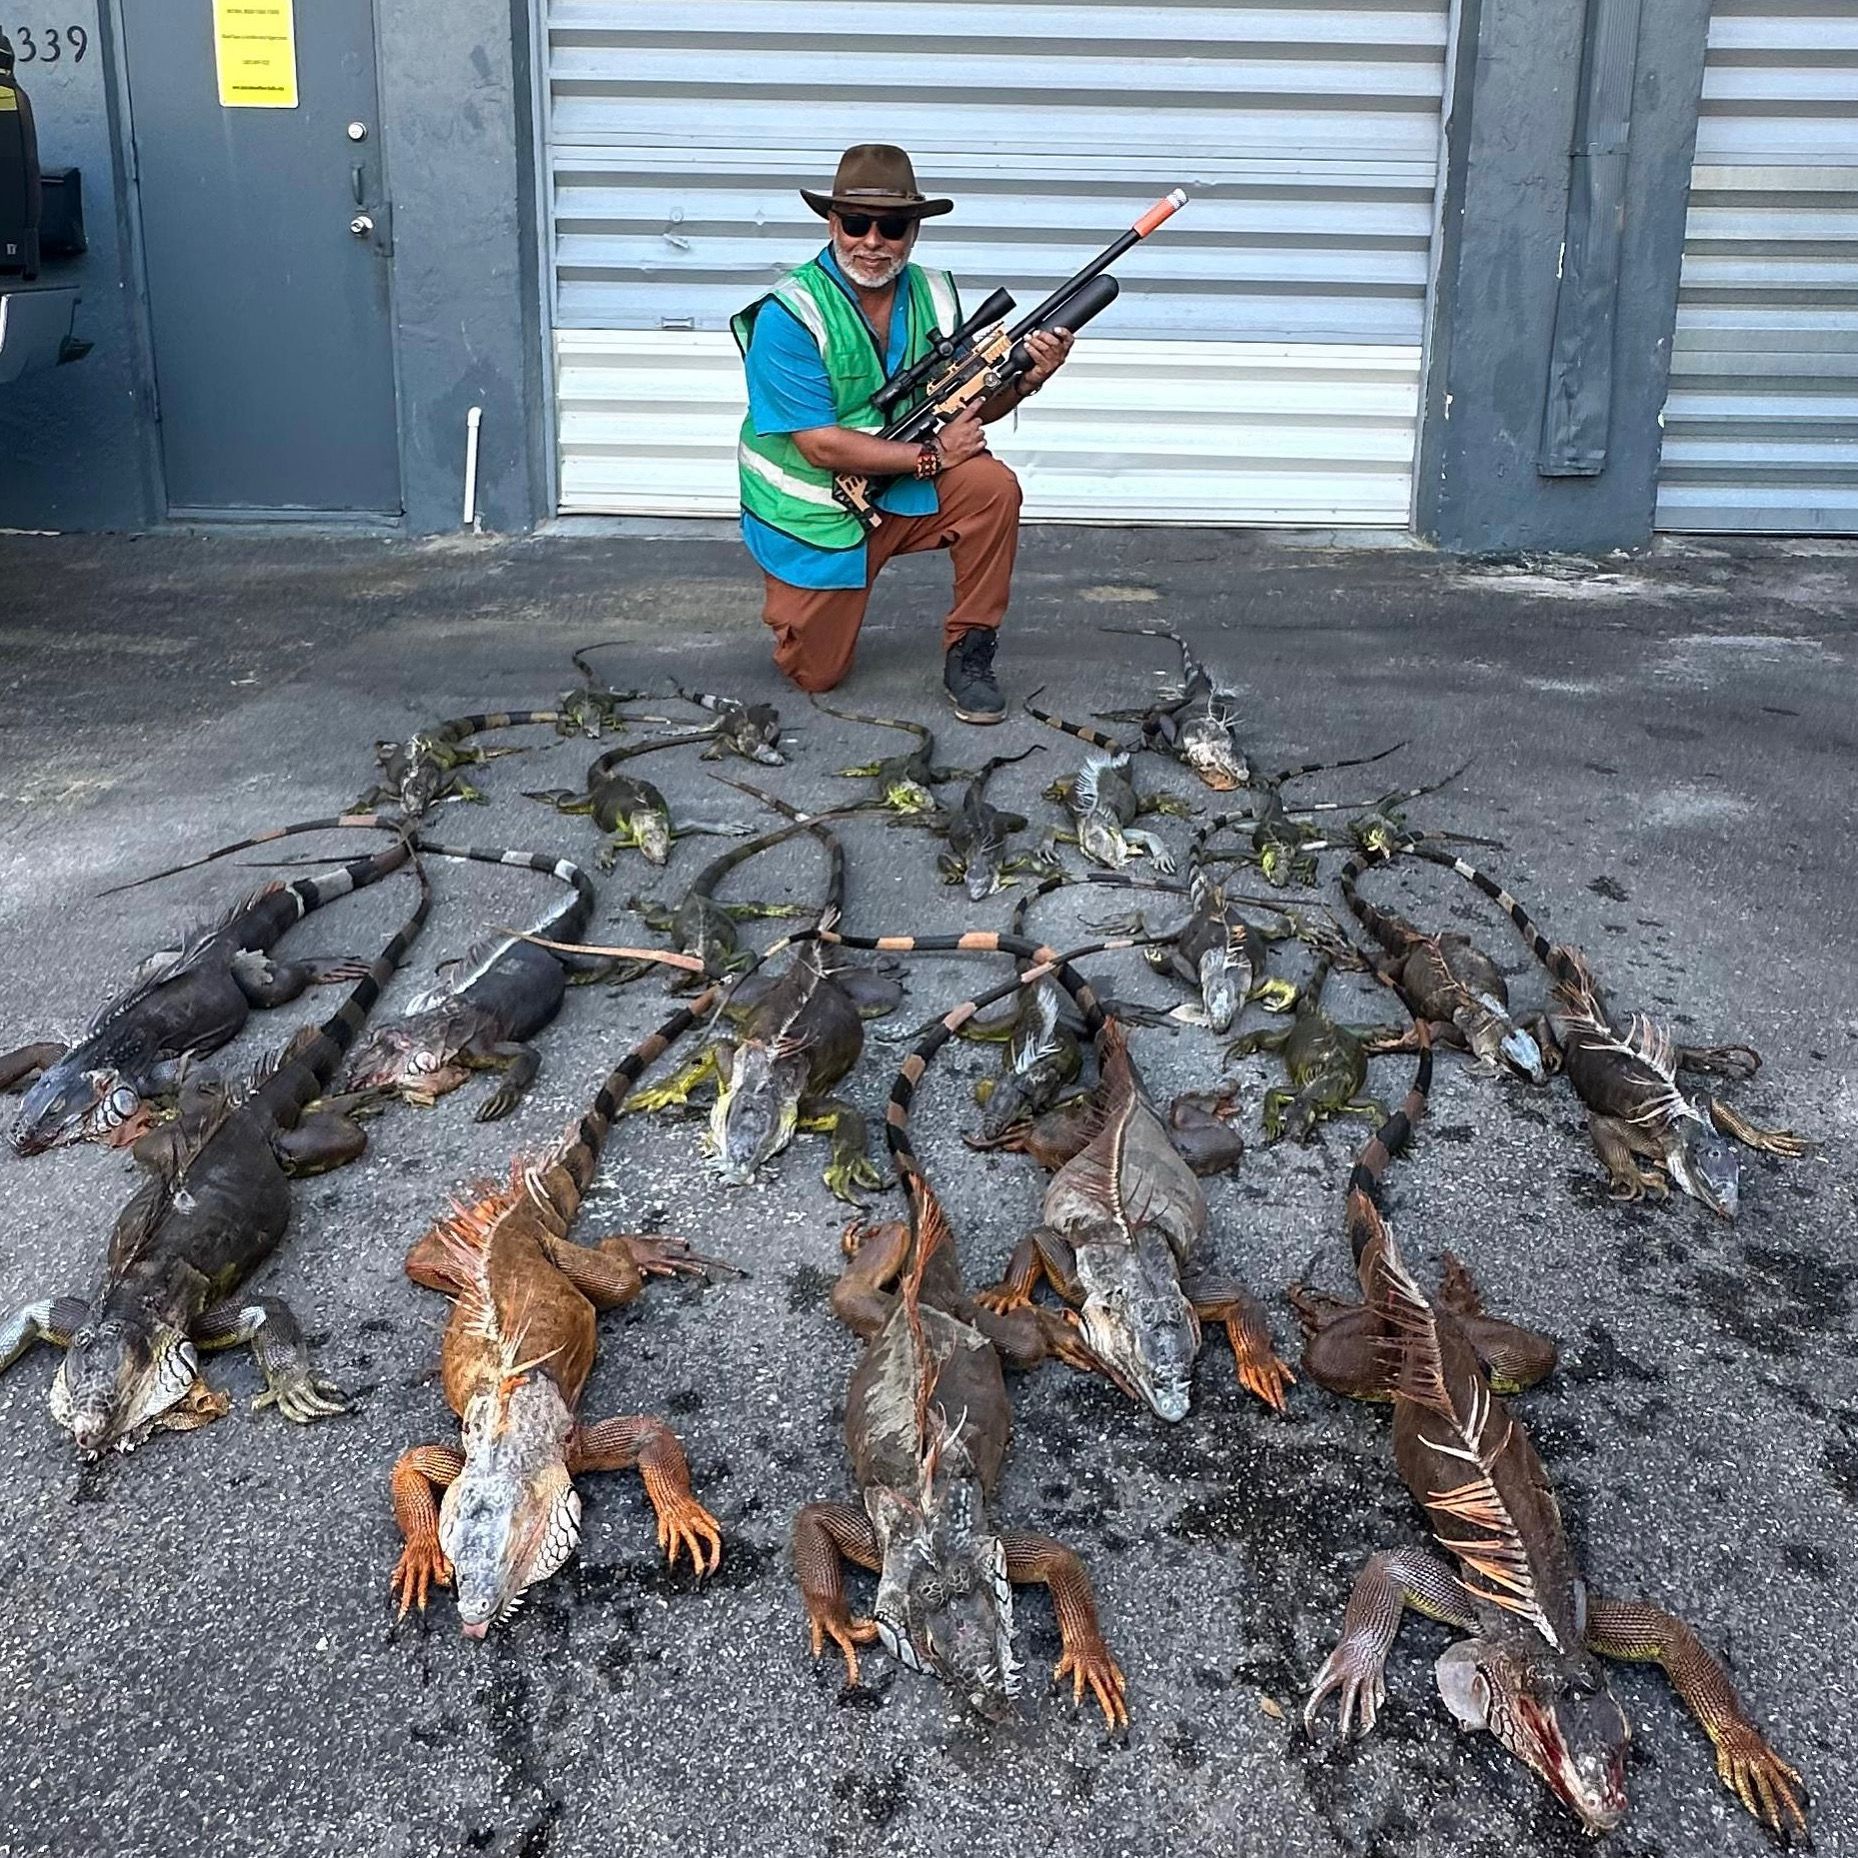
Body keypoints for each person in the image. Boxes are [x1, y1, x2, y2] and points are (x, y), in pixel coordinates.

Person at [731, 144, 1074, 724]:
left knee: (993, 487)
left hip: (897, 491)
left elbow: (970, 408)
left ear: (913, 231)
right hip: (815, 515)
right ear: (831, 223)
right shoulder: (788, 315)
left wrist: (1026, 378)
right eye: (856, 223)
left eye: (890, 226)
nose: (872, 241)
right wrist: (932, 457)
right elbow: (818, 444)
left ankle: (971, 649)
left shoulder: (935, 294)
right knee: (817, 674)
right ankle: (802, 612)